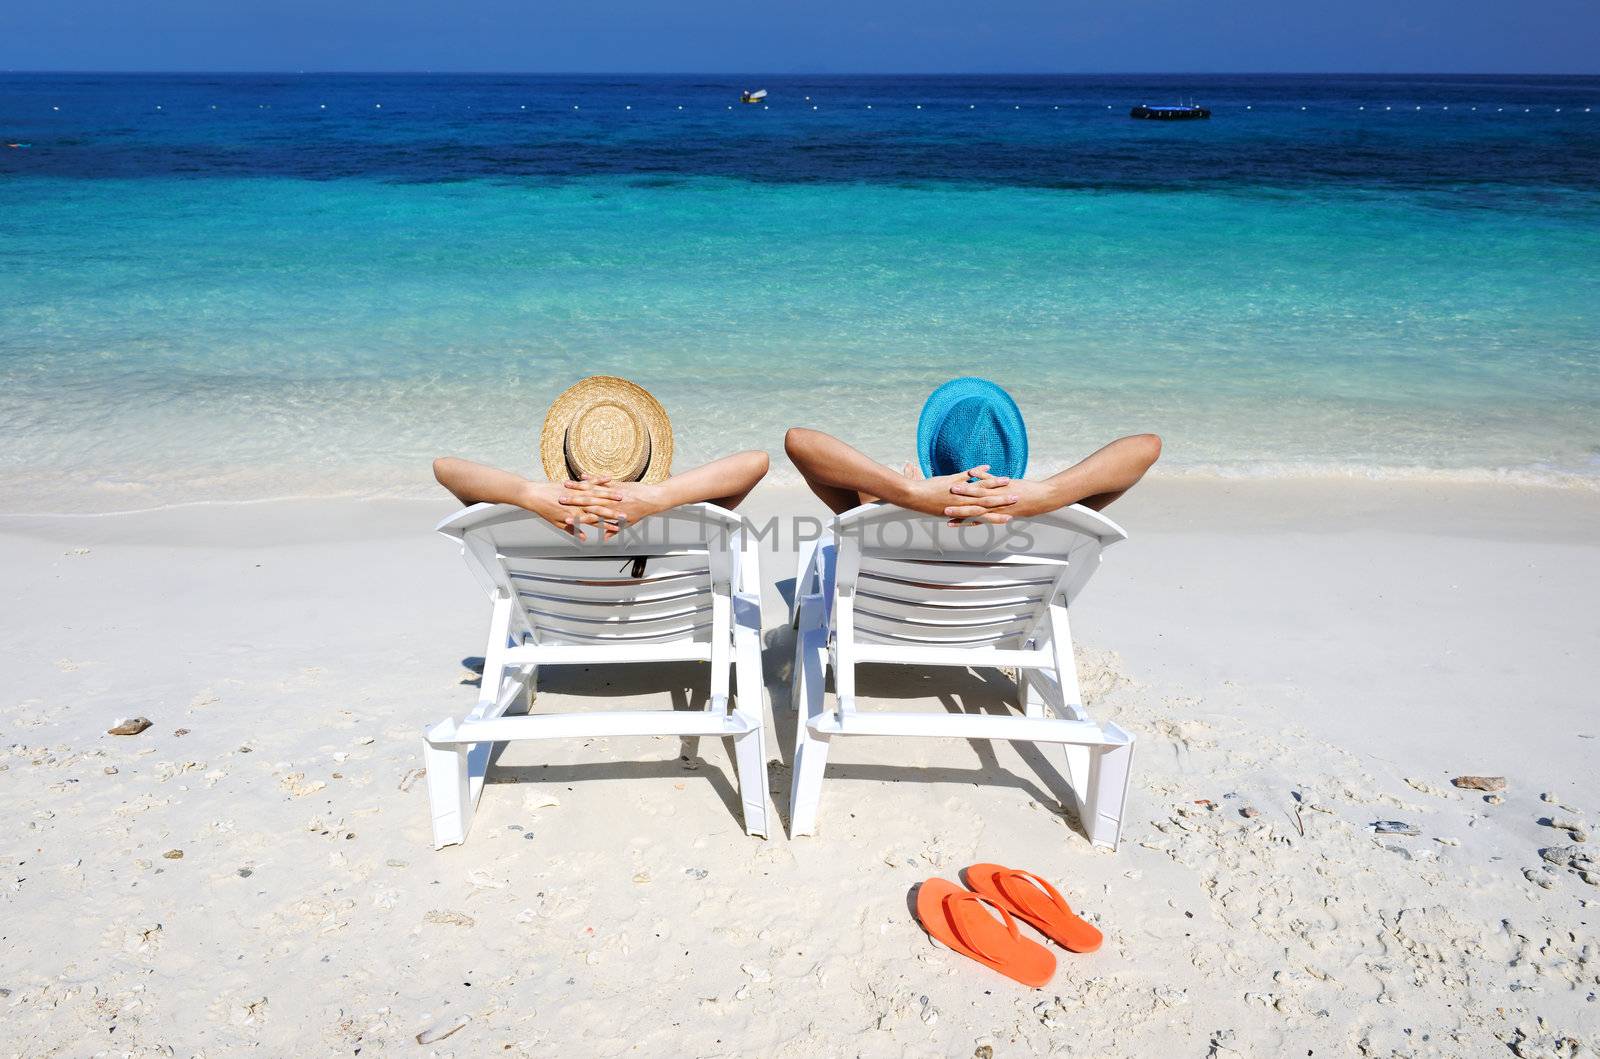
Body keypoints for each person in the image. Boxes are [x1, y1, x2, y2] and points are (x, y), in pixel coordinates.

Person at [784, 377, 1160, 525]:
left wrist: (906, 493)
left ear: (933, 451)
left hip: (893, 616)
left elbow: (798, 441)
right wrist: (1048, 494)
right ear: (1013, 453)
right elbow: (1147, 447)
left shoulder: (885, 511)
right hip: (994, 623)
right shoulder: (1049, 517)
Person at [433, 375, 767, 540]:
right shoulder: (680, 514)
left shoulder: (540, 517)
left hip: (562, 625)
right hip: (664, 622)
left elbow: (445, 468)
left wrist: (526, 493)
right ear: (648, 456)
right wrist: (658, 497)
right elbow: (757, 462)